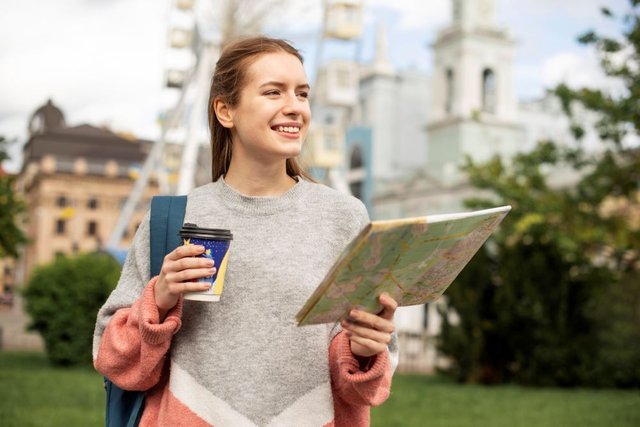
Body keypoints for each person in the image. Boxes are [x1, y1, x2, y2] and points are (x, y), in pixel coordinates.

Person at [93, 35, 398, 427]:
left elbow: (365, 388)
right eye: (274, 92)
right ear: (225, 111)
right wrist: (160, 299)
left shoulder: (344, 218)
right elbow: (114, 359)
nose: (295, 108)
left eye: (302, 94)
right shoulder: (172, 218)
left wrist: (365, 352)